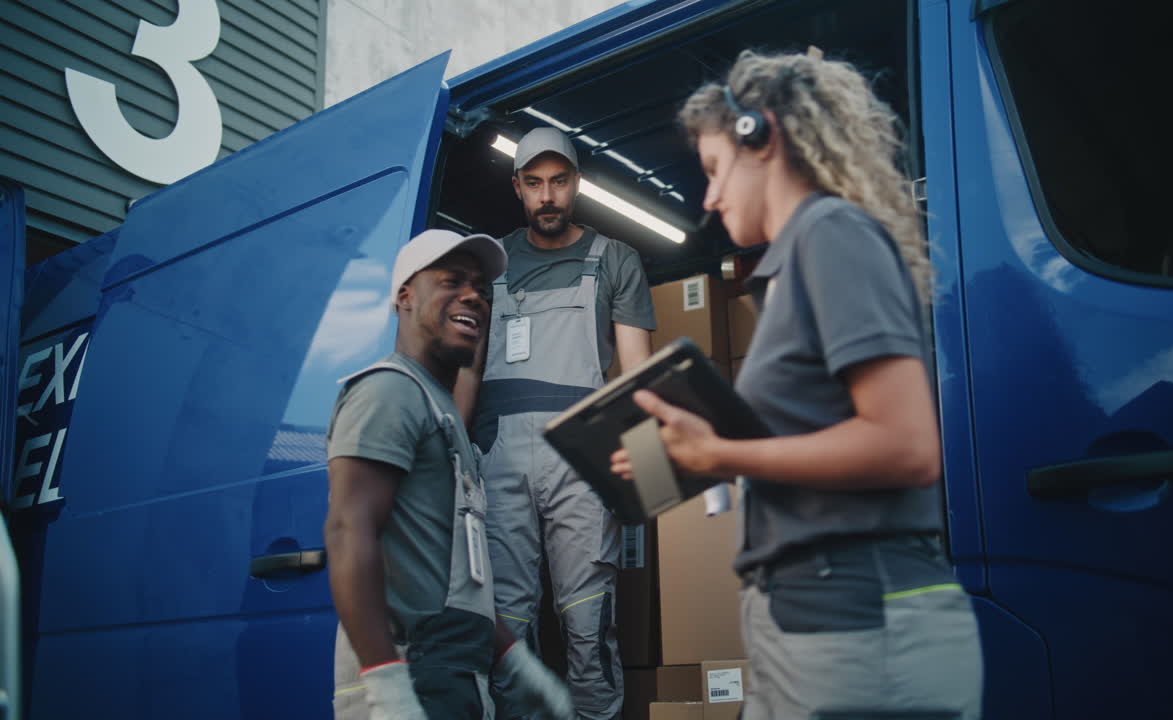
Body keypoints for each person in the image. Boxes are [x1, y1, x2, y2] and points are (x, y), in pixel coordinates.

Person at [611, 49, 984, 719]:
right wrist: (681, 455)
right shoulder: (790, 269)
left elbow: (906, 446)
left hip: (854, 625)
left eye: (715, 169)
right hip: (808, 622)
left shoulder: (830, 233)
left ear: (763, 137)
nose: (709, 197)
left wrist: (722, 455)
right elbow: (809, 440)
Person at [325, 229, 576, 720]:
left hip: (455, 676)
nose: (473, 298)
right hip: (408, 675)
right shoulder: (388, 393)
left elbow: (460, 575)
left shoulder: (441, 411)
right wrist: (386, 684)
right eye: (451, 281)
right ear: (404, 297)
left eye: (481, 290)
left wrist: (512, 659)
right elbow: (347, 531)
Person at [454, 127, 656, 720]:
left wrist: (643, 473)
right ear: (517, 187)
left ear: (576, 184)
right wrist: (458, 460)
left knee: (589, 616)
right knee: (507, 622)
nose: (548, 196)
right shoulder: (489, 262)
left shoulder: (614, 259)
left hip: (583, 452)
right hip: (498, 452)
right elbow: (468, 370)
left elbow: (636, 378)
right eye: (535, 183)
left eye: (559, 182)